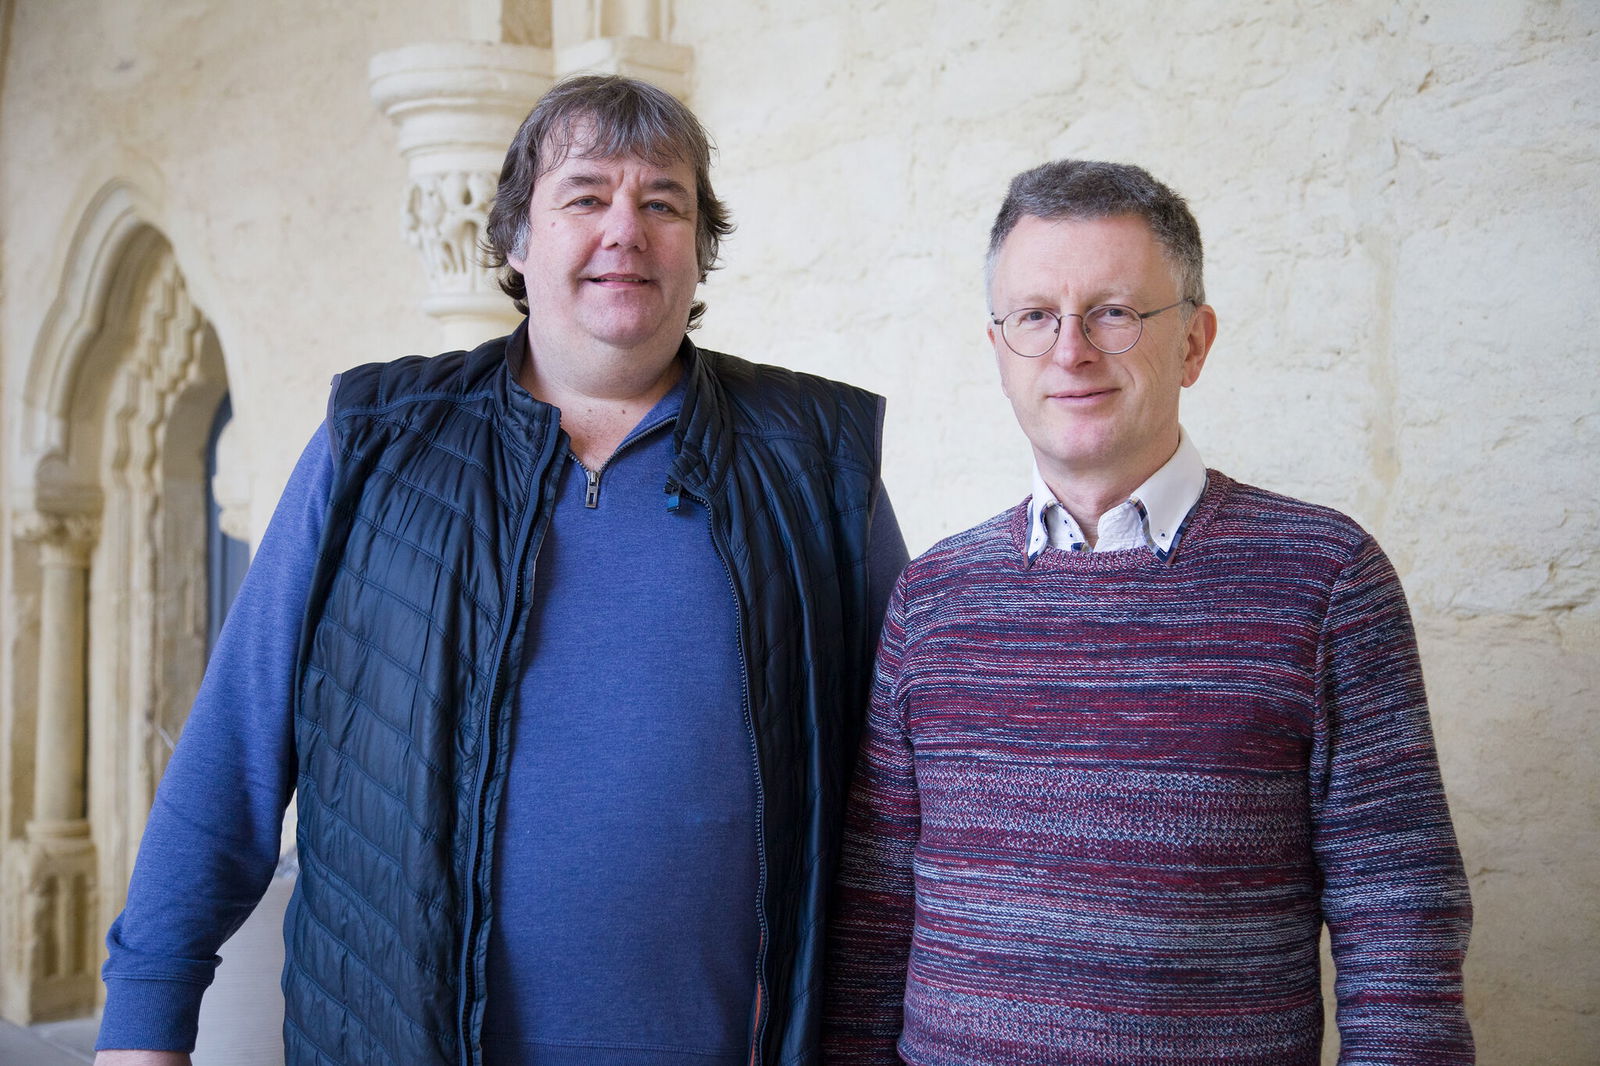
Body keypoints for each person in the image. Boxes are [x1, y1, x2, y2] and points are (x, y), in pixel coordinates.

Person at [95, 75, 907, 1066]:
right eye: (585, 196)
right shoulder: (375, 445)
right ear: (517, 238)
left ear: (700, 247)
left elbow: (910, 783)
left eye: (664, 203)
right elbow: (235, 744)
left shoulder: (815, 462)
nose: (626, 229)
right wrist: (144, 1021)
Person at [823, 159, 1473, 1064]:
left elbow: (1400, 916)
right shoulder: (934, 598)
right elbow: (874, 916)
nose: (1071, 351)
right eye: (1035, 316)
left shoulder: (1325, 580)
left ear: (1195, 343)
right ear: (999, 350)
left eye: (1115, 312)